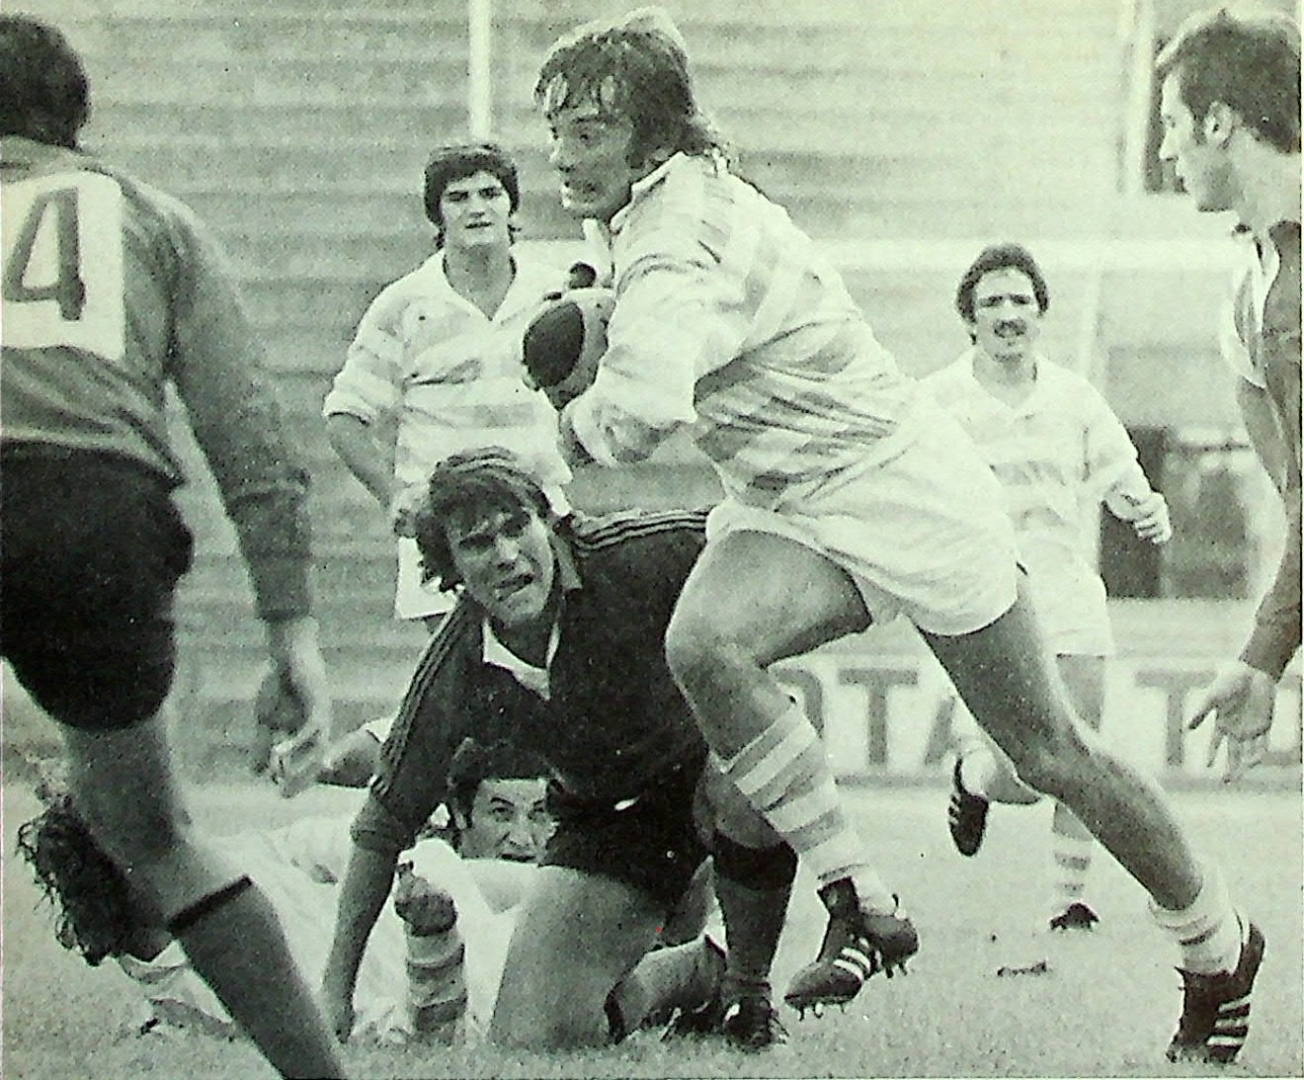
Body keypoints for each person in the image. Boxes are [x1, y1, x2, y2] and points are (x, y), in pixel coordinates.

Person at [533, 9, 1263, 1062]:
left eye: (589, 132)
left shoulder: (676, 230)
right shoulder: (654, 203)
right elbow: (647, 308)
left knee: (1047, 751)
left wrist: (561, 418)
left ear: (650, 137)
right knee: (706, 645)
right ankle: (860, 899)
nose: (563, 154)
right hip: (791, 491)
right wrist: (588, 302)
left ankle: (1216, 942)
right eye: (556, 129)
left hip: (899, 485)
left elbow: (640, 412)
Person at [0, 16, 344, 1078]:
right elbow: (247, 436)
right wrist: (291, 630)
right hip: (94, 510)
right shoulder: (153, 219)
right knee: (152, 837)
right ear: (75, 118)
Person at [321, 449, 799, 1051]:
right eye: (477, 543)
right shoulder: (455, 665)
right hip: (610, 820)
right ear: (451, 568)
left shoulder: (631, 553)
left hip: (709, 767)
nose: (505, 554)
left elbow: (745, 529)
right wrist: (334, 992)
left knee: (753, 760)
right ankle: (688, 974)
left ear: (548, 522)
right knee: (531, 1039)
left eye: (516, 526)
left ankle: (748, 995)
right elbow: (382, 824)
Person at [924, 243, 1172, 951]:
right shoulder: (936, 400)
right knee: (1024, 777)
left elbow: (1121, 476)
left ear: (1040, 314)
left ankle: (1069, 904)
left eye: (1021, 301)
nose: (1008, 314)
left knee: (1083, 752)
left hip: (1067, 589)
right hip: (984, 595)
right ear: (969, 319)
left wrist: (1144, 506)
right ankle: (972, 778)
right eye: (992, 303)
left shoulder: (1073, 397)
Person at [14, 740, 554, 1046]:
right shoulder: (210, 993)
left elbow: (309, 843)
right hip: (485, 966)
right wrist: (431, 938)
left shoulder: (204, 867)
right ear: (125, 871)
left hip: (451, 880)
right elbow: (422, 1037)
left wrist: (384, 858)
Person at [323, 142, 573, 626]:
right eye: (458, 198)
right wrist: (396, 496)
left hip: (536, 520)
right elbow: (345, 416)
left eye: (490, 193)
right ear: (437, 214)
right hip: (451, 529)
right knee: (465, 667)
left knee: (558, 660)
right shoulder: (405, 304)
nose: (477, 208)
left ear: (511, 205)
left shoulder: (554, 294)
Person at [1155, 6, 1300, 786]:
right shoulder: (1249, 298)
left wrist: (1265, 650)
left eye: (1172, 124)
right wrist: (1265, 656)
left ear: (1218, 123)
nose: (1164, 149)